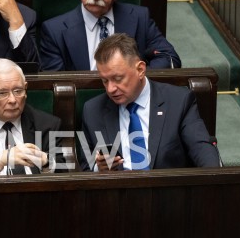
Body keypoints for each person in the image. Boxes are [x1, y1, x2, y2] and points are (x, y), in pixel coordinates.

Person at [79, 33, 219, 171]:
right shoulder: (92, 110)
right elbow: (85, 166)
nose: (110, 89)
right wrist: (99, 168)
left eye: (118, 79)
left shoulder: (178, 101)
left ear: (140, 69)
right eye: (105, 80)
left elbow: (201, 148)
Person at [39, 0, 181, 71]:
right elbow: (56, 81)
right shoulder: (54, 30)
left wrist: (133, 77)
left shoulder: (139, 17)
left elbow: (169, 58)